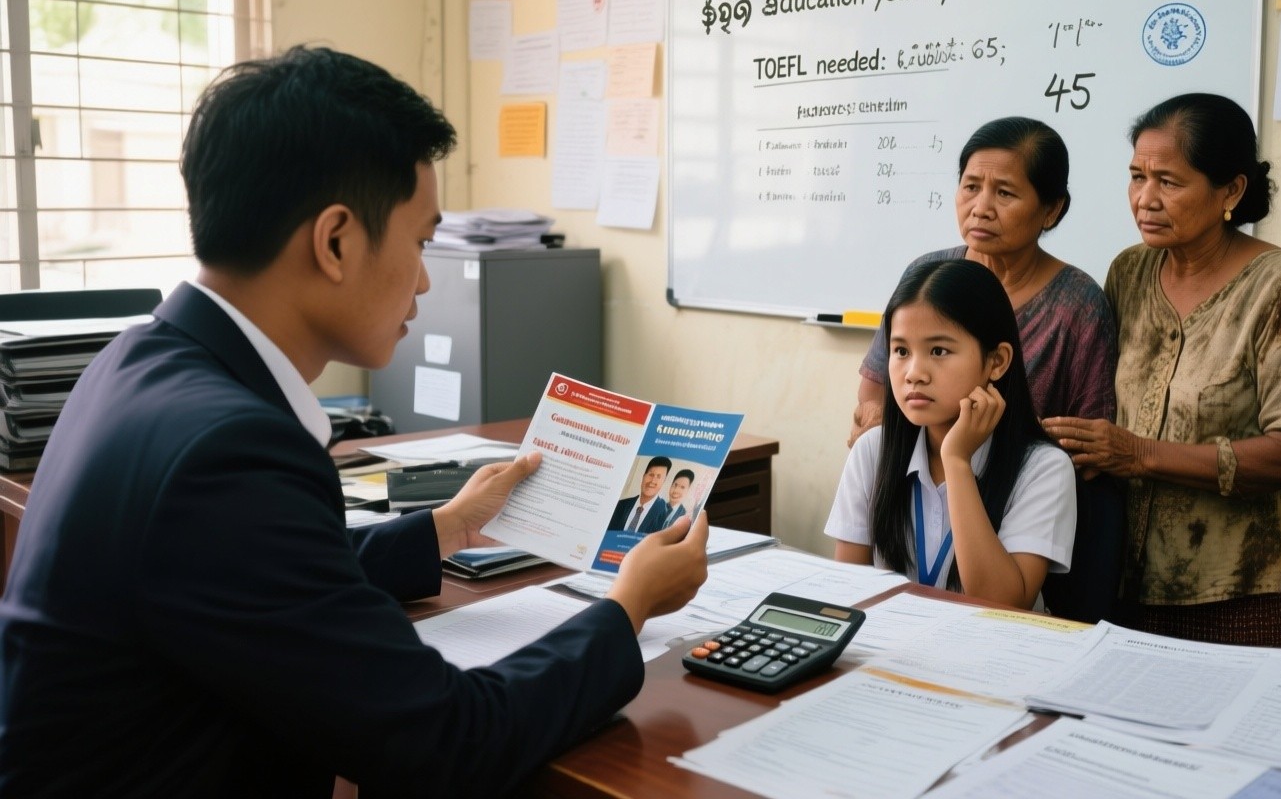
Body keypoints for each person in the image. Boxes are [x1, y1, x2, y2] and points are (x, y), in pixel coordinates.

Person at [0, 46, 710, 798]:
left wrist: (447, 528)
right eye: (421, 240)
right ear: (336, 241)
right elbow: (445, 742)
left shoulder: (140, 360)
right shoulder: (230, 452)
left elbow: (264, 583)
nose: (427, 277)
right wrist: (627, 605)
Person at [1043, 92, 1281, 661]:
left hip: (1243, 588)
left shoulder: (1280, 286)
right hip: (1124, 579)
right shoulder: (1129, 271)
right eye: (1136, 177)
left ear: (1231, 191)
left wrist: (1141, 455)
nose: (1145, 199)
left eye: (1169, 182)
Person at [847, 116, 1120, 622]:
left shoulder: (1077, 303)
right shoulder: (930, 276)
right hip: (913, 470)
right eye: (970, 186)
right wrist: (879, 428)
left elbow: (1088, 448)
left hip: (1012, 507)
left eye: (1005, 193)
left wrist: (980, 456)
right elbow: (874, 388)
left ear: (1052, 209)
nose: (981, 207)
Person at [826, 259, 1076, 609]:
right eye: (901, 351)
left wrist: (957, 461)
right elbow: (848, 593)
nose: (914, 373)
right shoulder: (872, 451)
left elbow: (1002, 605)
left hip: (995, 655)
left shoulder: (1044, 467)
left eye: (938, 351)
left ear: (997, 362)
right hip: (894, 652)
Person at [607, 455, 673, 533]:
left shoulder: (666, 515)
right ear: (644, 476)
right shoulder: (620, 505)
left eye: (659, 477)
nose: (652, 481)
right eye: (651, 474)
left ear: (663, 482)